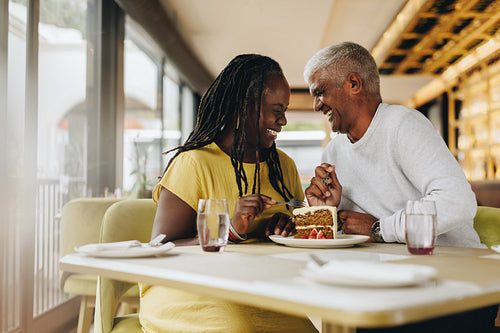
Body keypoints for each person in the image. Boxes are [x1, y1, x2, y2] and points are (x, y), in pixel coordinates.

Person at [303, 41, 497, 332]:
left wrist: (380, 228)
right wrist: (328, 214)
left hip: (452, 288)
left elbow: (458, 202)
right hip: (386, 288)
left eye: (320, 92)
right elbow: (352, 236)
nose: (317, 105)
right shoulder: (333, 153)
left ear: (354, 83)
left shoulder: (403, 126)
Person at [140, 54, 317, 333]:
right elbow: (160, 248)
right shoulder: (194, 163)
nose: (283, 120)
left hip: (260, 290)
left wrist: (293, 227)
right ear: (242, 107)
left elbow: (300, 233)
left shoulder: (284, 166)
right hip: (190, 289)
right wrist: (229, 231)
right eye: (277, 109)